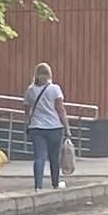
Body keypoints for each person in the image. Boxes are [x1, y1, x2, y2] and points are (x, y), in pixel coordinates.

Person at [23, 61, 72, 191]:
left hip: (36, 128)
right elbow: (60, 109)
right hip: (54, 127)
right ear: (49, 74)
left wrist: (28, 121)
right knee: (54, 158)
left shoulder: (30, 90)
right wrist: (67, 128)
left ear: (36, 75)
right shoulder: (55, 89)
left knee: (39, 158)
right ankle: (55, 184)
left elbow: (27, 110)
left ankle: (38, 186)